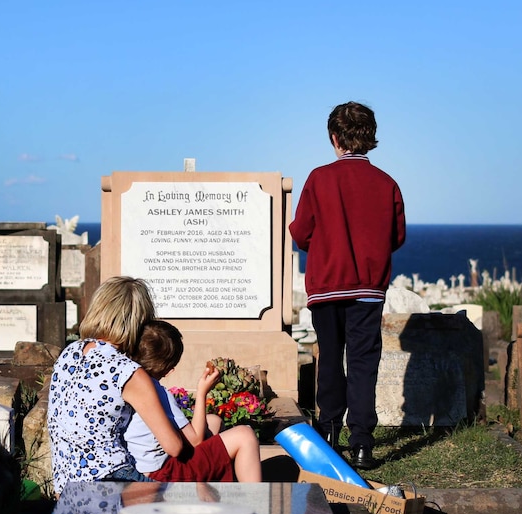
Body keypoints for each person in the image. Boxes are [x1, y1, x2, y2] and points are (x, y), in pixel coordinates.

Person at [289, 101, 406, 469]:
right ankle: (362, 443)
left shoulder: (319, 178)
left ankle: (327, 433)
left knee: (329, 360)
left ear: (334, 137)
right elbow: (396, 236)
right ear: (370, 138)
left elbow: (301, 232)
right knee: (362, 363)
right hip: (368, 288)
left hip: (326, 284)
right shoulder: (387, 183)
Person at [47, 276, 189, 496]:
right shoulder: (127, 372)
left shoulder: (70, 352)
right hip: (110, 481)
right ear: (140, 322)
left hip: (65, 487)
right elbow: (173, 446)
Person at [124, 320, 262, 482]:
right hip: (163, 475)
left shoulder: (128, 383)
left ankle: (211, 494)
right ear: (169, 370)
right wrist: (202, 391)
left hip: (138, 468)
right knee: (245, 435)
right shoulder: (157, 393)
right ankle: (255, 502)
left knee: (213, 421)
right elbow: (195, 440)